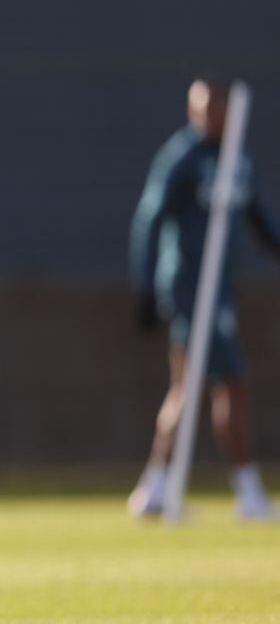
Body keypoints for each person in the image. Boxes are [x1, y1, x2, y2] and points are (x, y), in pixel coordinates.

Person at [128, 77, 280, 521]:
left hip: (221, 290)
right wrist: (146, 287)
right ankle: (248, 490)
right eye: (206, 105)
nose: (214, 114)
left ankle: (154, 485)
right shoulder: (183, 157)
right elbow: (150, 219)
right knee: (230, 382)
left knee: (185, 387)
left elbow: (259, 219)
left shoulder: (238, 160)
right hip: (191, 288)